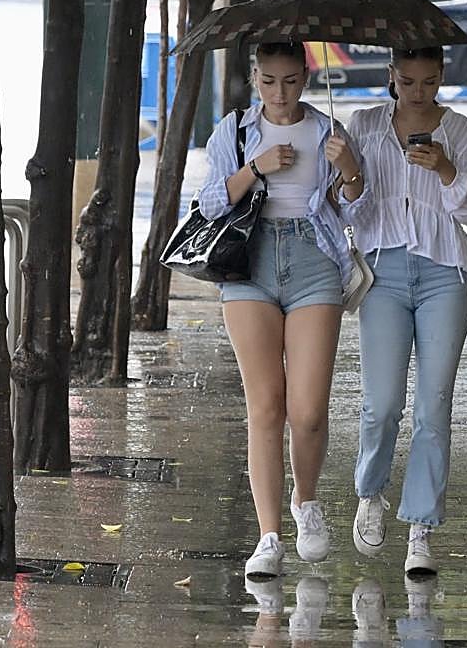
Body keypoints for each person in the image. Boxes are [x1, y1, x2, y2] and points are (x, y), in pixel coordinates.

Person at [195, 41, 368, 580]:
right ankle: (269, 535)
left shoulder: (326, 131)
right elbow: (208, 204)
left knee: (309, 409)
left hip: (313, 258)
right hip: (250, 261)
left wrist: (351, 167)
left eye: (291, 80)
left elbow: (356, 204)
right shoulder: (236, 130)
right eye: (269, 81)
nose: (280, 93)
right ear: (255, 78)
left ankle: (307, 502)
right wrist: (255, 168)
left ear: (306, 77)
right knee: (266, 407)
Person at [345, 46, 467, 576]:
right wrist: (348, 171)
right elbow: (346, 209)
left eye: (429, 82)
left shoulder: (461, 133)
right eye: (407, 81)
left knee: (434, 406)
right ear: (391, 77)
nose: (418, 92)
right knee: (381, 402)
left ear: (441, 78)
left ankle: (421, 528)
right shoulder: (362, 126)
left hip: (443, 275)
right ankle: (370, 491)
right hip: (382, 273)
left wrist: (447, 170)